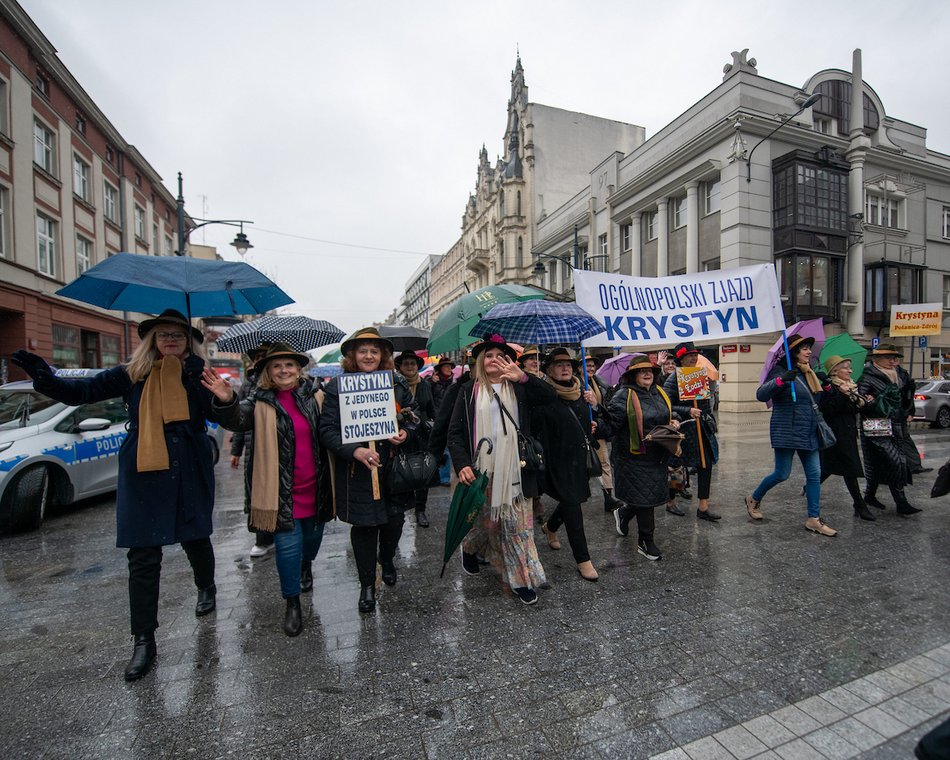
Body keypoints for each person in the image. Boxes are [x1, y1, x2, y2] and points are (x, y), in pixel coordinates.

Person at [12, 309, 218, 681]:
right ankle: (144, 640)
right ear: (152, 340)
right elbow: (81, 392)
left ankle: (206, 587)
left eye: (178, 335)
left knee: (195, 536)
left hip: (189, 464)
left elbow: (220, 413)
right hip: (144, 466)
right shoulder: (131, 373)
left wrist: (201, 385)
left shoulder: (200, 373)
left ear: (189, 342)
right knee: (142, 554)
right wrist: (45, 378)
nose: (170, 340)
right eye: (163, 334)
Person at [204, 344, 333, 636]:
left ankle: (306, 566)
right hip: (280, 490)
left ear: (299, 369)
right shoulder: (259, 400)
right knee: (287, 548)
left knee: (311, 542)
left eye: (289, 365)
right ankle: (292, 603)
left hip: (317, 487)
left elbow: (334, 427)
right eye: (277, 366)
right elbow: (237, 419)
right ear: (268, 372)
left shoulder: (316, 396)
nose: (284, 370)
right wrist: (227, 400)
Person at [447, 334, 556, 605]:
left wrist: (524, 378)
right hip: (481, 469)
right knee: (485, 522)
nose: (494, 359)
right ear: (480, 361)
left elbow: (550, 397)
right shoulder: (467, 391)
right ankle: (470, 548)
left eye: (500, 355)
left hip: (517, 468)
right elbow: (455, 433)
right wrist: (462, 464)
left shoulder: (520, 386)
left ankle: (521, 580)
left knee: (517, 527)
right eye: (489, 356)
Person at [318, 327, 411, 613]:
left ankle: (387, 558)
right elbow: (327, 430)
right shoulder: (337, 387)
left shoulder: (396, 383)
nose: (369, 356)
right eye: (363, 351)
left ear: (383, 356)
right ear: (352, 356)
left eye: (374, 351)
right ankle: (367, 584)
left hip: (391, 468)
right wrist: (355, 451)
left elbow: (415, 415)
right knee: (365, 527)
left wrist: (405, 431)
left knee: (394, 522)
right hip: (358, 472)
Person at [745, 334, 838, 536]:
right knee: (782, 474)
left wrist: (827, 385)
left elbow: (820, 402)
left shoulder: (809, 373)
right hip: (786, 430)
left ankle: (814, 519)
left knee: (814, 475)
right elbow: (761, 394)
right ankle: (754, 498)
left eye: (809, 348)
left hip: (809, 431)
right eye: (804, 348)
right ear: (794, 352)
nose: (809, 352)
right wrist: (780, 380)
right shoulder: (780, 371)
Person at [592, 354, 679, 560]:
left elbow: (666, 413)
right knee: (645, 499)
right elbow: (611, 424)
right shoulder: (623, 396)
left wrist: (674, 420)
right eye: (642, 371)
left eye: (650, 370)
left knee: (646, 496)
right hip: (633, 457)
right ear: (633, 376)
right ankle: (645, 542)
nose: (647, 374)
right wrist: (597, 424)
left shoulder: (659, 392)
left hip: (658, 455)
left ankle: (623, 513)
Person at [533, 348, 598, 581]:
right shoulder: (545, 395)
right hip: (557, 462)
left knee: (573, 500)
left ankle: (550, 527)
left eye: (568, 365)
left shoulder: (582, 393)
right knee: (572, 504)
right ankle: (583, 560)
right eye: (559, 365)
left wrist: (595, 408)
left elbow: (599, 424)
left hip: (579, 459)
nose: (565, 368)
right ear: (549, 370)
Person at [857, 344, 922, 516]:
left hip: (896, 424)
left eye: (895, 358)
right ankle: (901, 502)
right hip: (876, 427)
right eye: (888, 357)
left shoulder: (899, 375)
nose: (893, 361)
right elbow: (860, 402)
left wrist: (909, 406)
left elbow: (905, 399)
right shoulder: (867, 377)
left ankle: (869, 495)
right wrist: (873, 401)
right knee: (894, 461)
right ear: (877, 359)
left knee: (880, 463)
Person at [663, 342, 721, 521]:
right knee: (676, 468)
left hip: (701, 430)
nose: (694, 358)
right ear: (681, 359)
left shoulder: (699, 375)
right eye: (690, 355)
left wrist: (709, 419)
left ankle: (703, 506)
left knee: (706, 465)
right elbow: (666, 406)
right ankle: (670, 502)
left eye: (695, 355)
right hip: (683, 431)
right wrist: (687, 410)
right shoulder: (673, 379)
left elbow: (705, 403)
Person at [229, 345, 277, 559]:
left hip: (279, 445)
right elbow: (240, 419)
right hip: (255, 447)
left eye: (265, 356)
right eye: (258, 357)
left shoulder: (283, 382)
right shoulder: (249, 385)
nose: (261, 360)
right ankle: (262, 537)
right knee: (258, 490)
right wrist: (236, 450)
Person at [818, 356, 876, 521]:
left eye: (850, 367)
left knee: (831, 467)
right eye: (846, 368)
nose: (850, 371)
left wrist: (866, 402)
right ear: (835, 371)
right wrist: (842, 395)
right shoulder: (829, 387)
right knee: (850, 468)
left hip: (848, 433)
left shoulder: (851, 387)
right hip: (836, 434)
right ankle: (859, 504)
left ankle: (810, 485)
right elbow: (829, 410)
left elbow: (853, 410)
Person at [396, 350, 436, 527]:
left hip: (422, 435)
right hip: (401, 435)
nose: (410, 367)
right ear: (400, 366)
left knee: (422, 473)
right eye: (406, 363)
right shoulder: (395, 385)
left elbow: (431, 408)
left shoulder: (425, 385)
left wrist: (435, 427)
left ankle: (420, 510)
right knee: (402, 471)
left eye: (412, 363)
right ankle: (402, 508)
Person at [583, 352, 622, 512]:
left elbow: (603, 404)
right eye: (587, 365)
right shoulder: (577, 384)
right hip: (583, 431)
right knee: (584, 466)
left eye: (593, 365)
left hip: (598, 428)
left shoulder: (599, 382)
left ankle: (608, 497)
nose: (591, 368)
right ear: (579, 368)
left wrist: (596, 406)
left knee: (604, 463)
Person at [429, 355, 457, 486]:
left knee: (447, 450)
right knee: (437, 448)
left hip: (450, 420)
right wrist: (431, 383)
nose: (449, 369)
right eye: (446, 366)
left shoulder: (454, 384)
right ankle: (435, 476)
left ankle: (444, 478)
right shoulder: (432, 382)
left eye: (450, 366)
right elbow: (429, 400)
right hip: (436, 420)